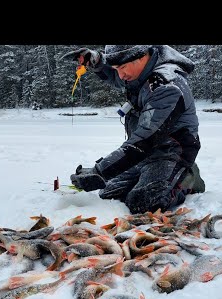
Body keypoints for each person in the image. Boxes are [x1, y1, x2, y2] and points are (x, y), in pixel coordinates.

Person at [66, 45, 205, 214]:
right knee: (108, 193)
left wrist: (100, 170)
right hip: (144, 155)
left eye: (122, 67)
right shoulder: (140, 73)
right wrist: (96, 61)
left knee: (143, 202)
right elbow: (116, 75)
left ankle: (188, 178)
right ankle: (150, 176)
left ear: (141, 56)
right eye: (117, 68)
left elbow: (144, 141)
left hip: (172, 153)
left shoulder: (166, 86)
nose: (121, 75)